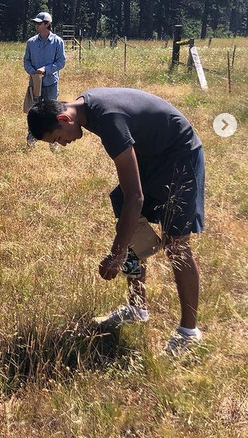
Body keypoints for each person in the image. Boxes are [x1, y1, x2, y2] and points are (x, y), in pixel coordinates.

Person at [27, 88, 205, 355]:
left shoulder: (109, 119)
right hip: (152, 155)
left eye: (56, 139)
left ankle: (189, 332)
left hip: (179, 154)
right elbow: (130, 197)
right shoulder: (86, 108)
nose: (61, 145)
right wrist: (123, 244)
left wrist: (117, 253)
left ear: (64, 119)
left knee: (175, 244)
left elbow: (136, 196)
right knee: (126, 213)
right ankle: (136, 308)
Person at [23, 12, 66, 148]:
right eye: (35, 23)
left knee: (53, 112)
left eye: (39, 23)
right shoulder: (31, 42)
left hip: (51, 83)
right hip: (35, 83)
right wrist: (33, 72)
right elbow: (26, 60)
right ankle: (32, 137)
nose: (36, 25)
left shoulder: (58, 41)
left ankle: (54, 141)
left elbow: (61, 62)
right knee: (34, 111)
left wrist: (45, 69)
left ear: (47, 24)